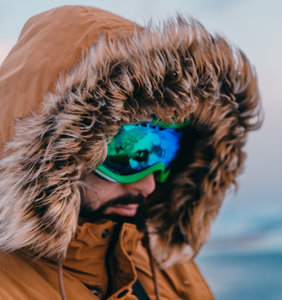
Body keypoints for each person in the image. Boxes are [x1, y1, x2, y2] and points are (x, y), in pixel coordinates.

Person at [0, 5, 261, 300]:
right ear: (53, 156)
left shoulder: (168, 268)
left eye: (164, 151)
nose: (149, 184)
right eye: (129, 150)